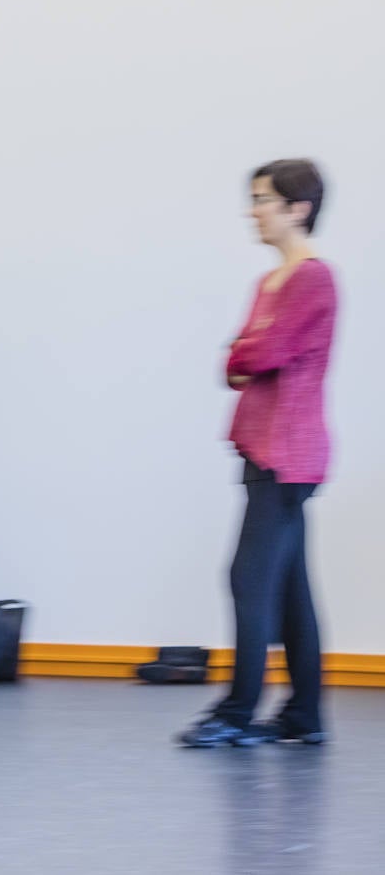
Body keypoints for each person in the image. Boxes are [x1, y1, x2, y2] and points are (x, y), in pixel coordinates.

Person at [178, 159, 337, 747]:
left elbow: (259, 355)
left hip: (288, 455)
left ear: (298, 209)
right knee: (290, 588)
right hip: (263, 449)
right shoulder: (268, 284)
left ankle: (236, 714)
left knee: (248, 579)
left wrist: (246, 352)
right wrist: (245, 353)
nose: (254, 210)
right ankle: (303, 717)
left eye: (264, 199)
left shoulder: (312, 279)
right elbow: (236, 362)